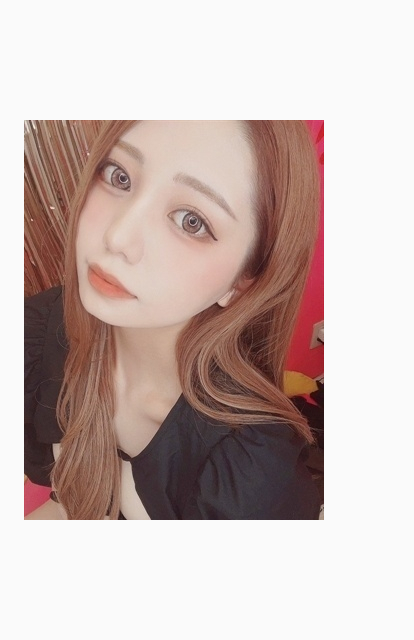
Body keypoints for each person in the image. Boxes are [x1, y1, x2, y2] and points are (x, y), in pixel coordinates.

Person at [25, 120, 321, 520]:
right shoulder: (41, 331)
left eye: (191, 221)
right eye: (119, 176)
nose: (118, 237)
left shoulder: (255, 478)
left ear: (244, 282)